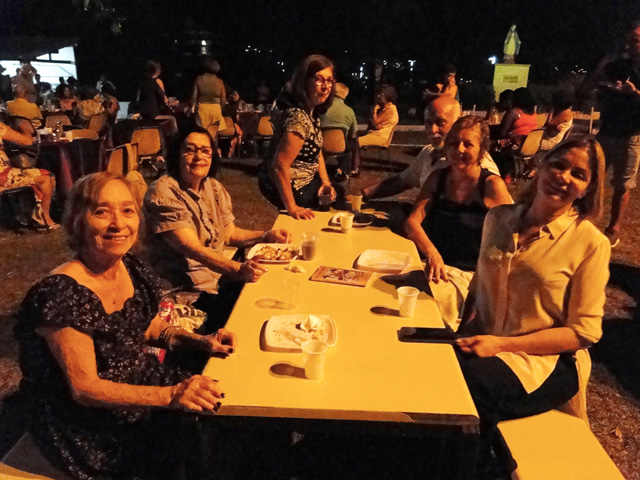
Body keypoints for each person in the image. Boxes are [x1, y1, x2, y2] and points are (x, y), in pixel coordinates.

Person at [14, 172, 235, 479]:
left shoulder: (128, 266)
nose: (118, 224)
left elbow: (147, 326)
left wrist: (200, 341)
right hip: (86, 422)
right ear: (78, 220)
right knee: (191, 439)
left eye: (128, 210)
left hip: (138, 383)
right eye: (101, 212)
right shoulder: (62, 293)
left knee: (224, 413)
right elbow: (84, 388)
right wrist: (171, 396)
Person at [455, 136, 610, 477]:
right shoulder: (498, 218)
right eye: (558, 165)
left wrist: (501, 345)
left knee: (471, 386)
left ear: (587, 189)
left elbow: (583, 333)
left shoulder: (589, 243)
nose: (563, 177)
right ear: (541, 165)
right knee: (433, 367)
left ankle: (473, 469)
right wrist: (463, 330)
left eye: (578, 174)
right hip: (487, 345)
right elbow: (479, 284)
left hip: (546, 363)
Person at [144, 126, 290, 334]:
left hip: (216, 282)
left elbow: (230, 233)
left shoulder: (212, 187)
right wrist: (237, 269)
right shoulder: (163, 192)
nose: (198, 157)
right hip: (184, 293)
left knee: (276, 294)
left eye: (205, 151)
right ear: (176, 154)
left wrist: (265, 235)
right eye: (190, 150)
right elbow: (193, 249)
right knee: (252, 319)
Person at [404, 116, 511, 327]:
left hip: (467, 274)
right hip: (431, 265)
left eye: (468, 144)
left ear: (482, 150)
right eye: (453, 143)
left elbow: (513, 237)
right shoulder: (438, 178)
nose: (458, 149)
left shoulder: (491, 185)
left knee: (425, 304)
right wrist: (431, 252)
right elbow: (412, 222)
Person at [362, 96, 499, 201]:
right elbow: (401, 181)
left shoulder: (478, 167)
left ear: (459, 121)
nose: (433, 130)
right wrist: (363, 194)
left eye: (440, 122)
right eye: (428, 123)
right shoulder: (429, 152)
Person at [258, 54, 338, 219]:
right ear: (304, 82)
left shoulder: (312, 114)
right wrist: (292, 207)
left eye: (329, 80)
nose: (325, 87)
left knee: (339, 196)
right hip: (292, 185)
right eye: (319, 80)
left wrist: (325, 182)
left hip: (307, 180)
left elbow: (317, 152)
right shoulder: (298, 118)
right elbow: (279, 166)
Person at [591, 19, 640, 247]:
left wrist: (635, 92)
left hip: (632, 134)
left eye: (637, 39)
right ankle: (584, 218)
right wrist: (604, 71)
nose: (632, 43)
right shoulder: (620, 65)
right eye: (630, 39)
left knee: (622, 184)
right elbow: (591, 85)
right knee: (592, 177)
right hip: (607, 129)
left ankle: (614, 229)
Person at [0, 122, 58, 229]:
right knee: (45, 178)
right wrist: (26, 129)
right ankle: (43, 217)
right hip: (4, 176)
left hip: (5, 172)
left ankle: (35, 213)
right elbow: (27, 141)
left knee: (46, 175)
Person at [318, 82, 360, 178]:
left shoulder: (322, 108)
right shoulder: (349, 111)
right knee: (353, 143)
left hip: (321, 144)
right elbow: (353, 135)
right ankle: (344, 169)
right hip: (340, 146)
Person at [191, 57, 227, 136]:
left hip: (202, 109)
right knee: (214, 135)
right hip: (215, 109)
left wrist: (191, 108)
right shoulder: (220, 81)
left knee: (202, 134)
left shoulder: (199, 79)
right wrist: (220, 109)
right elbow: (223, 99)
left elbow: (194, 97)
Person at [358, 83, 399, 149]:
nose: (379, 96)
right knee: (354, 139)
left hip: (380, 137)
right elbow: (377, 124)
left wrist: (375, 110)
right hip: (376, 134)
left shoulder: (390, 109)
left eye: (381, 94)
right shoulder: (386, 107)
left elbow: (375, 122)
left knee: (357, 142)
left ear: (387, 96)